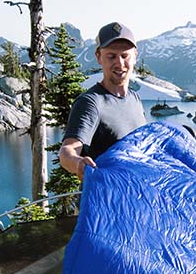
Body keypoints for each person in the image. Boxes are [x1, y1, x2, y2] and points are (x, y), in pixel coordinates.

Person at [58, 22, 147, 179]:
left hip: (133, 198)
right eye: (111, 56)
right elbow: (68, 151)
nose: (119, 63)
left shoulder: (135, 99)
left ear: (135, 56)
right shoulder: (91, 103)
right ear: (98, 57)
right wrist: (78, 163)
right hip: (105, 200)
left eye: (125, 56)